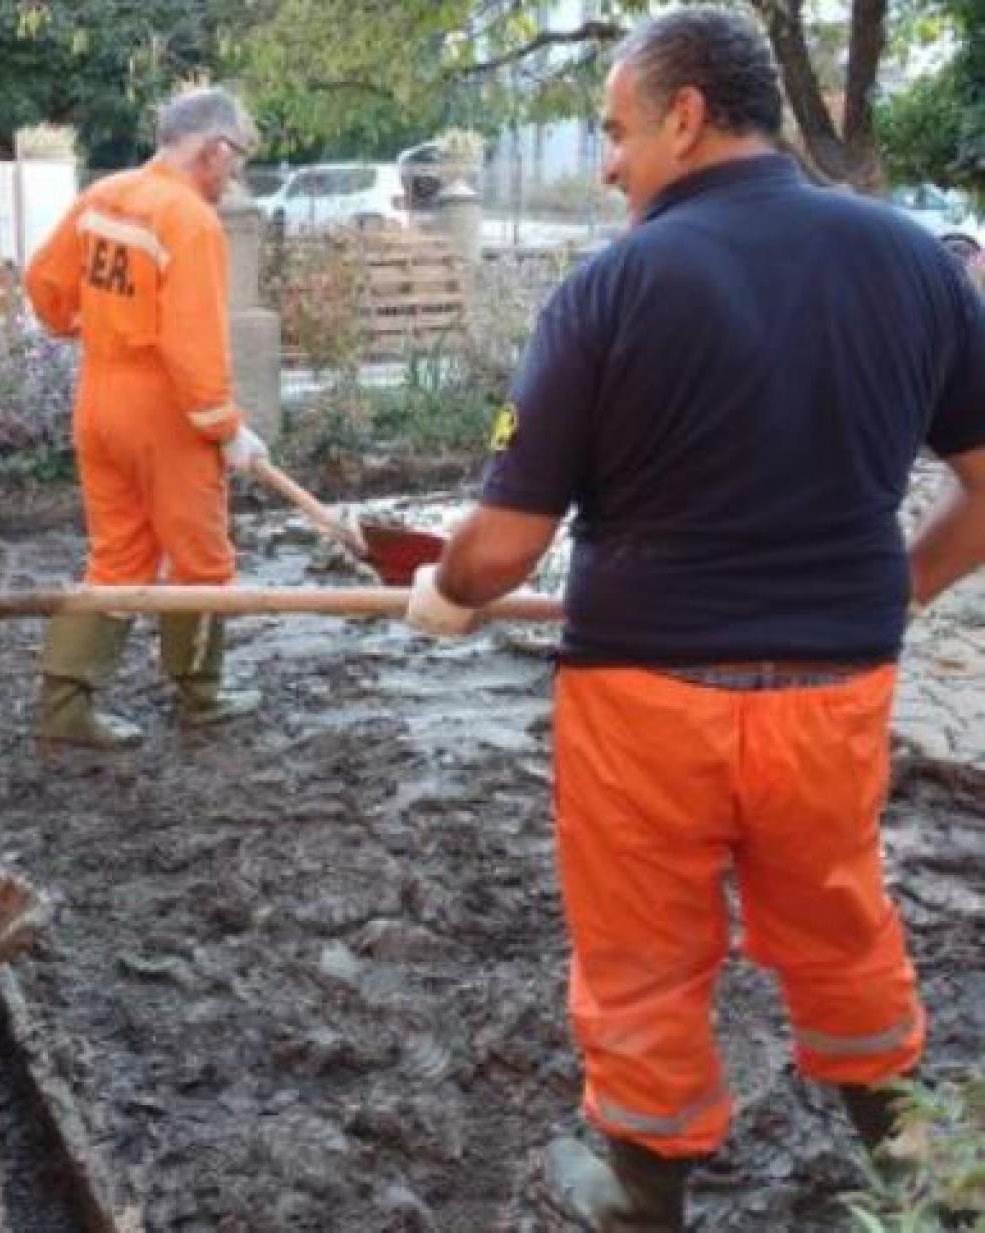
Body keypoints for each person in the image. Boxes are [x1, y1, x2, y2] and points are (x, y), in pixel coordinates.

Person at [405, 8, 985, 1230]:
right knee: (839, 919)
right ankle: (915, 1162)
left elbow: (502, 549)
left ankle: (641, 1187)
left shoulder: (608, 289)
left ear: (682, 115)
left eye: (614, 132)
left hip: (644, 703)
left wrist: (444, 592)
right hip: (833, 696)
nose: (606, 166)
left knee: (642, 949)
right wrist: (896, 588)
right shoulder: (913, 263)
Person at [24, 87, 270, 748]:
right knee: (202, 561)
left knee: (117, 557)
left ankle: (64, 707)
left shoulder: (103, 196)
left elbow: (44, 284)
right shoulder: (188, 220)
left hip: (99, 398)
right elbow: (193, 346)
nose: (234, 175)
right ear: (214, 149)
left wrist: (88, 327)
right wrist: (225, 428)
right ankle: (200, 697)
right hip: (165, 413)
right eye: (237, 158)